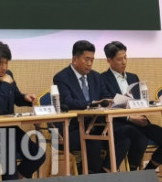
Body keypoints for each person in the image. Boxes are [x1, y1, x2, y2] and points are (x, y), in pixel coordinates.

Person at [102, 41, 162, 182]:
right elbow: (107, 106)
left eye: (125, 57)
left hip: (140, 120)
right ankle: (134, 177)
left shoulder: (133, 77)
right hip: (118, 123)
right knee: (138, 137)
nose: (124, 62)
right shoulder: (102, 79)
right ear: (109, 60)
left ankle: (146, 175)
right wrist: (129, 117)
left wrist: (154, 103)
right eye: (119, 59)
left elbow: (140, 101)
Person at [0, 40, 46, 180]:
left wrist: (25, 98)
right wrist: (5, 85)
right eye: (0, 63)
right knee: (9, 150)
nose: (4, 67)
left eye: (6, 63)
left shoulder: (8, 74)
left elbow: (15, 96)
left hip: (10, 131)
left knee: (38, 154)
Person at [53, 40, 130, 173]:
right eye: (86, 59)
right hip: (72, 128)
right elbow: (67, 102)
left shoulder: (96, 77)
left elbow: (105, 98)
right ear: (75, 59)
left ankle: (104, 172)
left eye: (92, 60)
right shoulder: (61, 78)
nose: (89, 63)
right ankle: (89, 176)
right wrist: (92, 104)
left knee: (124, 137)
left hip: (96, 125)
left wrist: (110, 102)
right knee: (94, 143)